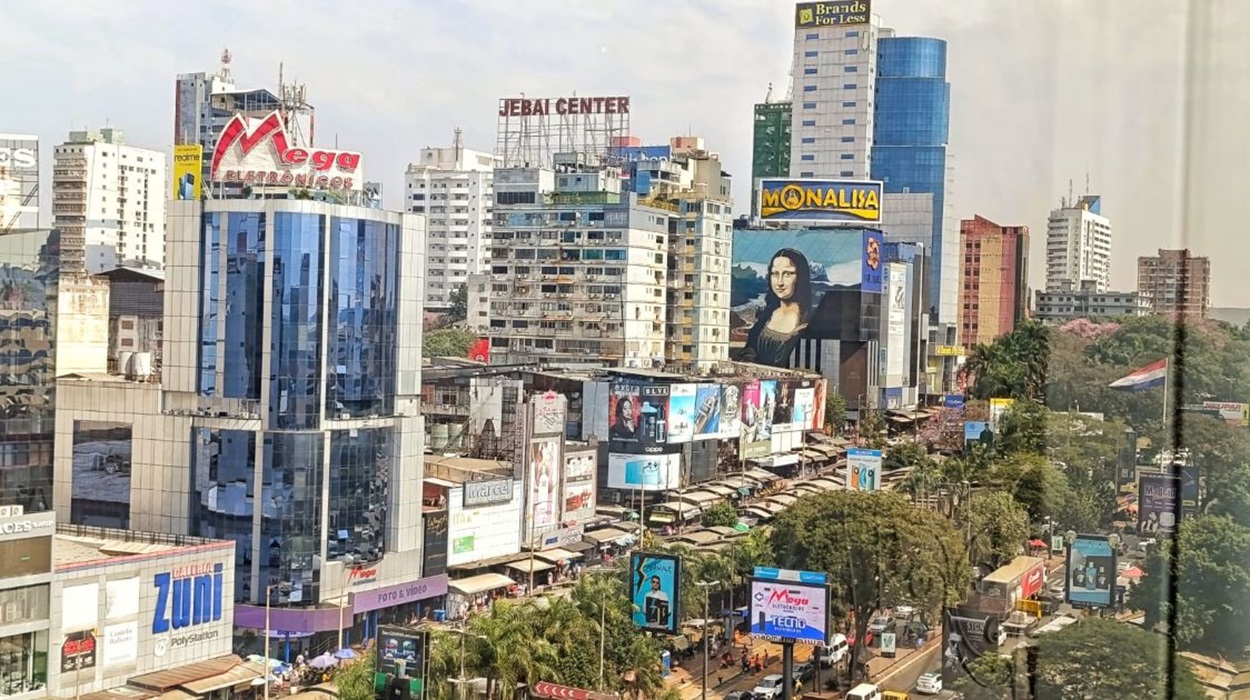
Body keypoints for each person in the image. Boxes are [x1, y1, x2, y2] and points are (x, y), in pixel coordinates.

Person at [734, 248, 812, 367]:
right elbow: (750, 350)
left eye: (787, 274)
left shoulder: (807, 321)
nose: (779, 282)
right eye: (775, 274)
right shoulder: (764, 316)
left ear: (800, 277)